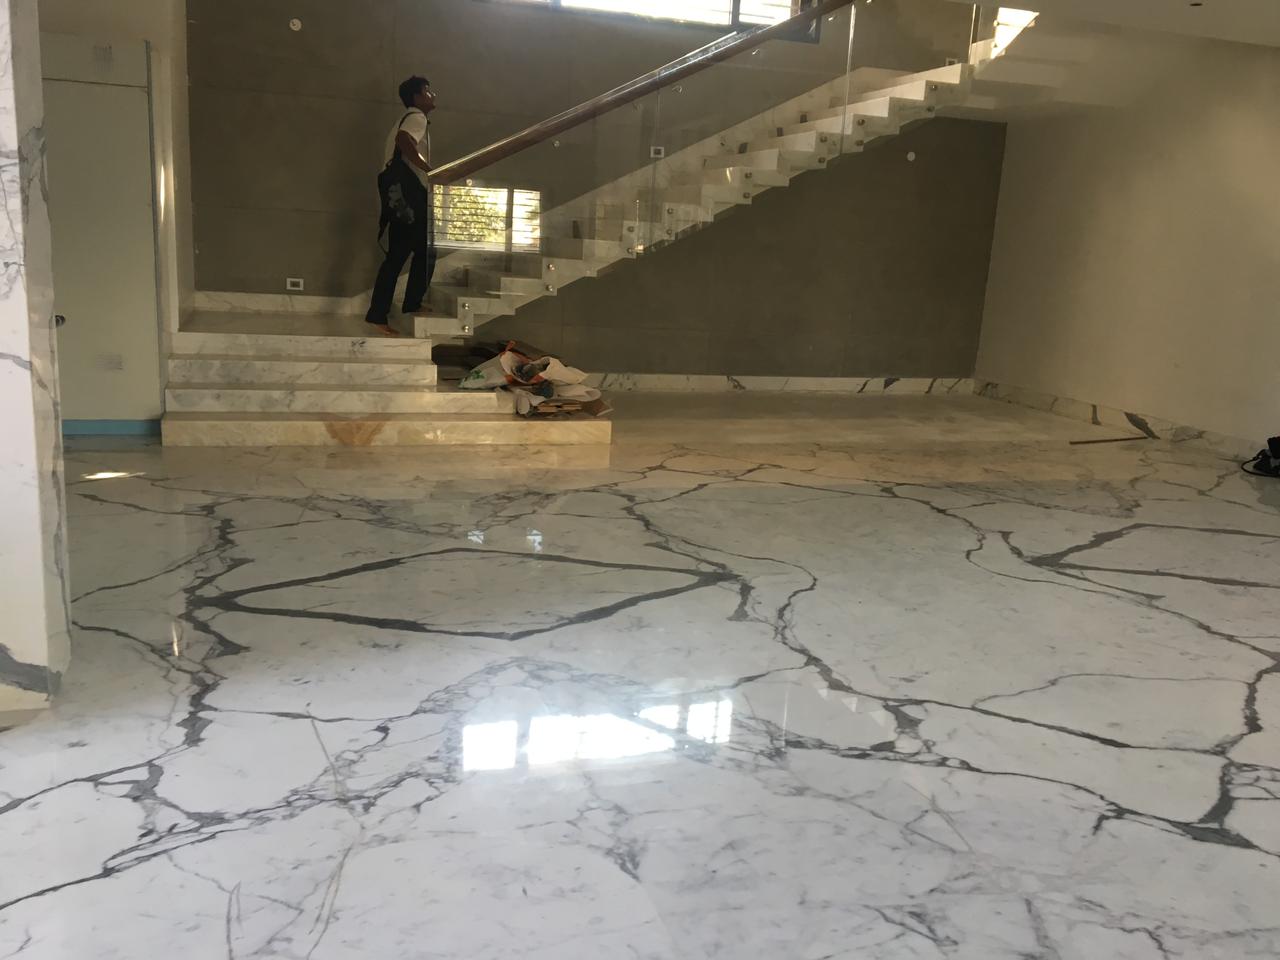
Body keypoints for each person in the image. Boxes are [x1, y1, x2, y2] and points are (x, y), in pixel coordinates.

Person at [366, 76, 437, 336]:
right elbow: (404, 141)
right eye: (427, 91)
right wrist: (430, 170)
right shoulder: (416, 118)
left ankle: (403, 306)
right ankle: (382, 312)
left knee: (414, 251)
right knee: (421, 251)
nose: (432, 95)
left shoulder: (406, 118)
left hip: (400, 195)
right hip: (409, 195)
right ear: (416, 97)